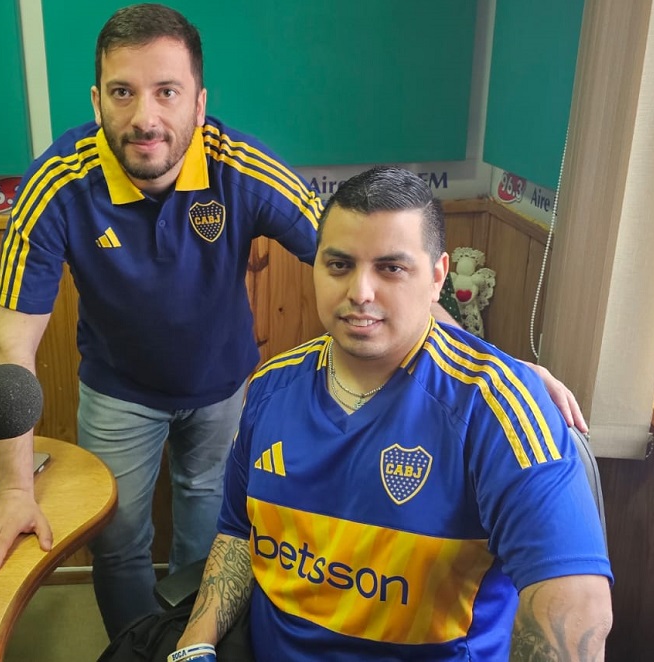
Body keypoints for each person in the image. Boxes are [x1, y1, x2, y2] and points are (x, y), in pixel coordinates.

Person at [0, 3, 588, 640]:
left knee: (212, 535)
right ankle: (138, 649)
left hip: (223, 389)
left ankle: (191, 644)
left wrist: (498, 367)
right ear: (97, 102)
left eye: (167, 92)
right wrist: (15, 490)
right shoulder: (56, 183)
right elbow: (11, 344)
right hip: (117, 392)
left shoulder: (240, 166)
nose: (145, 117)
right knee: (117, 542)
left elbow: (368, 268)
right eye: (123, 92)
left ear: (199, 104)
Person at [172, 167, 612, 661]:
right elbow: (237, 533)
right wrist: (194, 644)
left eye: (391, 268)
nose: (360, 292)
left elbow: (575, 607)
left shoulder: (497, 406)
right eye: (339, 265)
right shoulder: (270, 387)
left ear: (438, 276)